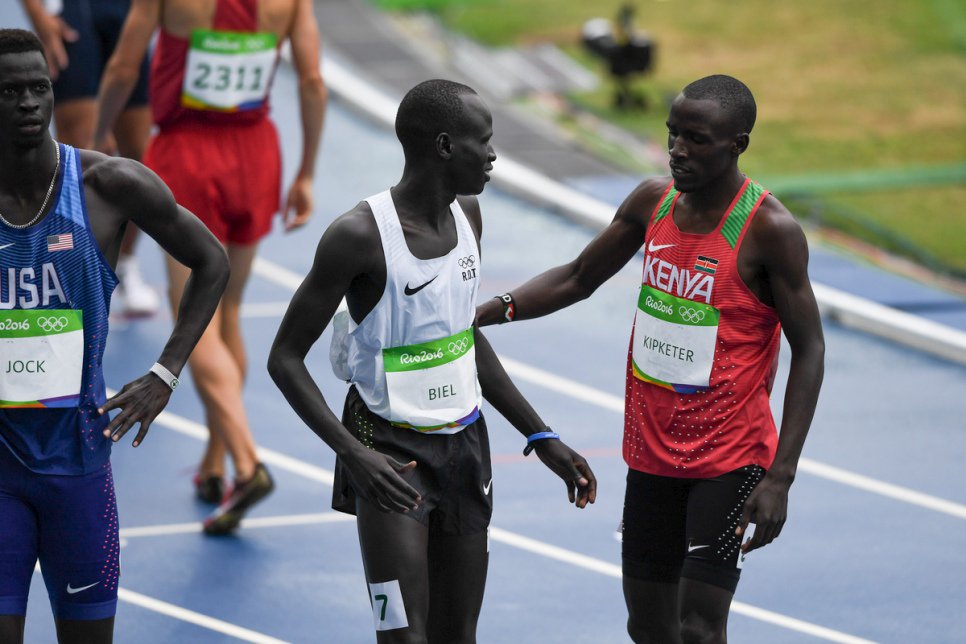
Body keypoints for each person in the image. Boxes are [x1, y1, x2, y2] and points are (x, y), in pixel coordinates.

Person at [475, 75, 825, 644]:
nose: (678, 151)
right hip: (652, 451)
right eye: (672, 135)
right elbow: (577, 277)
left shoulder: (770, 231)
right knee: (648, 626)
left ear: (739, 143)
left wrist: (781, 476)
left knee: (698, 629)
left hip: (729, 457)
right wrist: (492, 310)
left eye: (697, 139)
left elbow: (810, 349)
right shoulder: (651, 201)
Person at [268, 79, 597, 643]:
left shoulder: (469, 215)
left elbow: (462, 339)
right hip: (388, 454)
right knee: (401, 635)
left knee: (456, 635)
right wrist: (354, 456)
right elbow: (284, 359)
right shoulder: (358, 236)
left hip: (466, 451)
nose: (494, 156)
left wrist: (542, 436)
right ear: (445, 147)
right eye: (484, 141)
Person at [0, 29, 229, 644]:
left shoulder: (108, 186)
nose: (28, 103)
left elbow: (211, 262)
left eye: (39, 88)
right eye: (10, 91)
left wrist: (165, 372)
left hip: (79, 463)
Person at [93, 0, 328, 534]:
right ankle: (214, 460)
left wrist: (99, 143)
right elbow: (312, 81)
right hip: (256, 155)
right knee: (229, 313)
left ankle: (247, 463)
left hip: (187, 156)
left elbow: (123, 69)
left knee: (193, 320)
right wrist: (306, 173)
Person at [20, 0, 160, 316]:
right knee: (83, 154)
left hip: (128, 10)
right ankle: (70, 267)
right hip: (71, 13)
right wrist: (39, 15)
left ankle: (122, 262)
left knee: (140, 156)